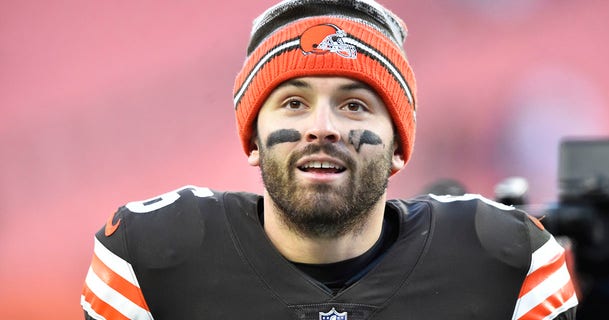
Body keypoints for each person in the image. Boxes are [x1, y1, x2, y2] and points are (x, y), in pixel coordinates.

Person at [80, 0, 578, 319]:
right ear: (252, 138)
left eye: (355, 105)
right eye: (294, 102)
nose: (323, 126)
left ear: (400, 145)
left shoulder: (505, 262)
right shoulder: (155, 257)